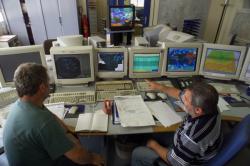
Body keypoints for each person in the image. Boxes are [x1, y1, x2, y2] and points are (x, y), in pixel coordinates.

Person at [3, 63, 104, 166]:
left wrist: (67, 132)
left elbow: (51, 116)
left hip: (31, 157)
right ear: (42, 87)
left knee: (74, 140)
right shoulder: (42, 122)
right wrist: (92, 158)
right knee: (89, 160)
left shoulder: (23, 104)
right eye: (48, 82)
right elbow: (77, 156)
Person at [131, 79, 223, 166]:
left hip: (185, 161)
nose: (182, 99)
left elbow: (174, 161)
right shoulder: (211, 106)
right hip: (185, 142)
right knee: (153, 134)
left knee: (138, 153)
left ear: (198, 110)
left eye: (186, 99)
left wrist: (153, 145)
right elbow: (179, 94)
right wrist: (160, 87)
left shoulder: (193, 136)